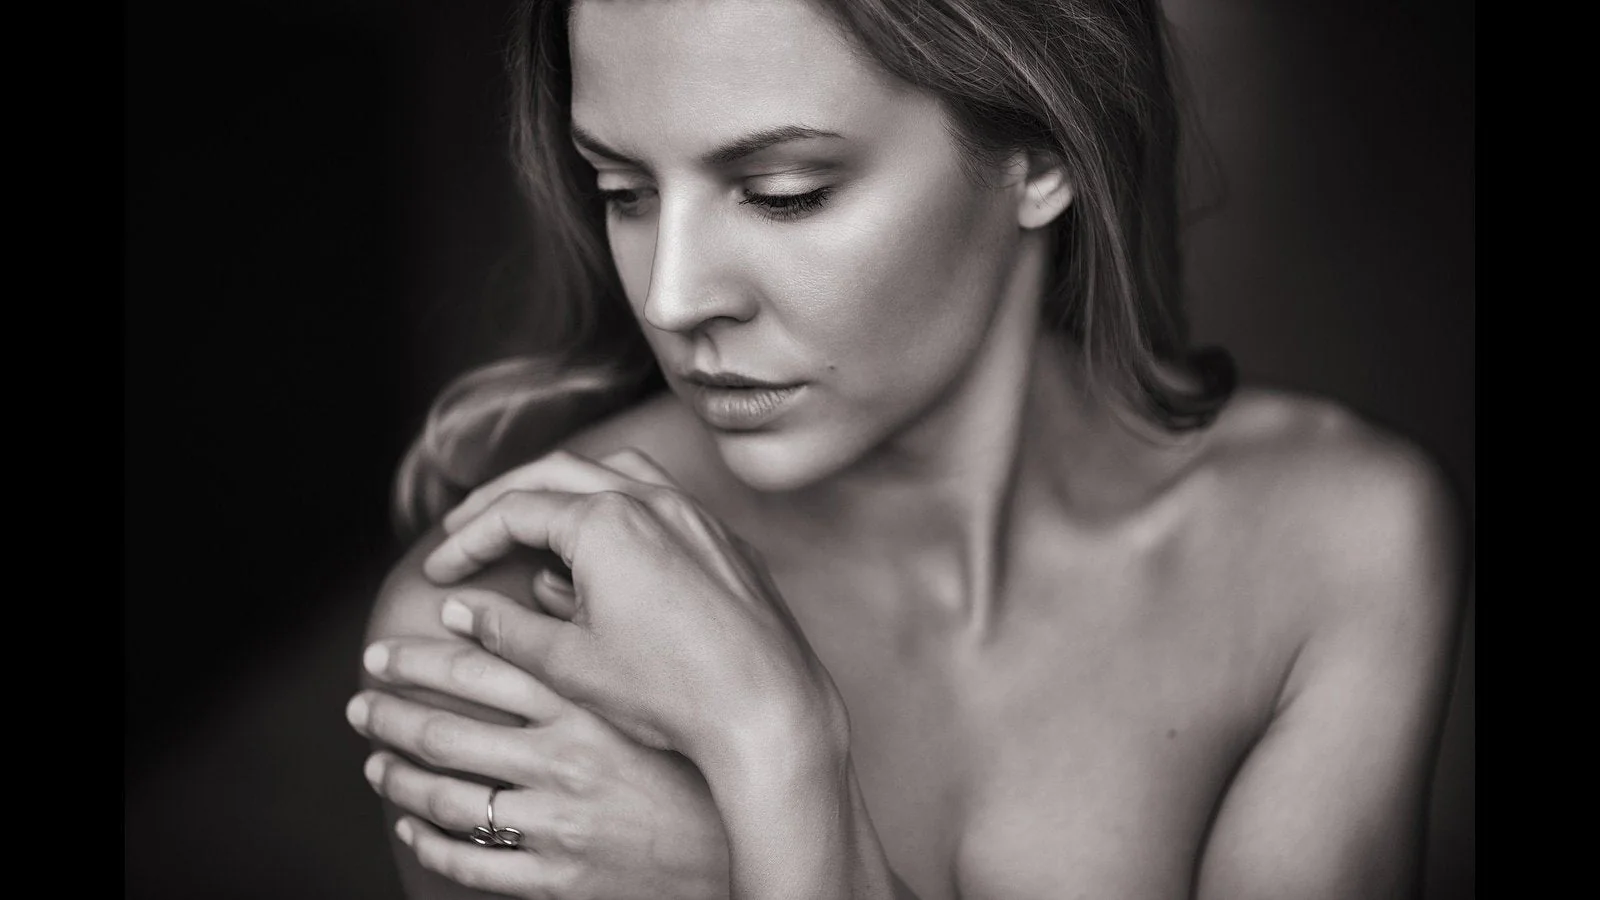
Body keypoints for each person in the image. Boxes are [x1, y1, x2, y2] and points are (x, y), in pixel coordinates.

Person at [344, 0, 1468, 897]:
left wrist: (777, 793)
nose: (673, 297)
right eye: (624, 191)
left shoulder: (1332, 549)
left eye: (782, 194)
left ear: (1040, 156)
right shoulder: (503, 630)